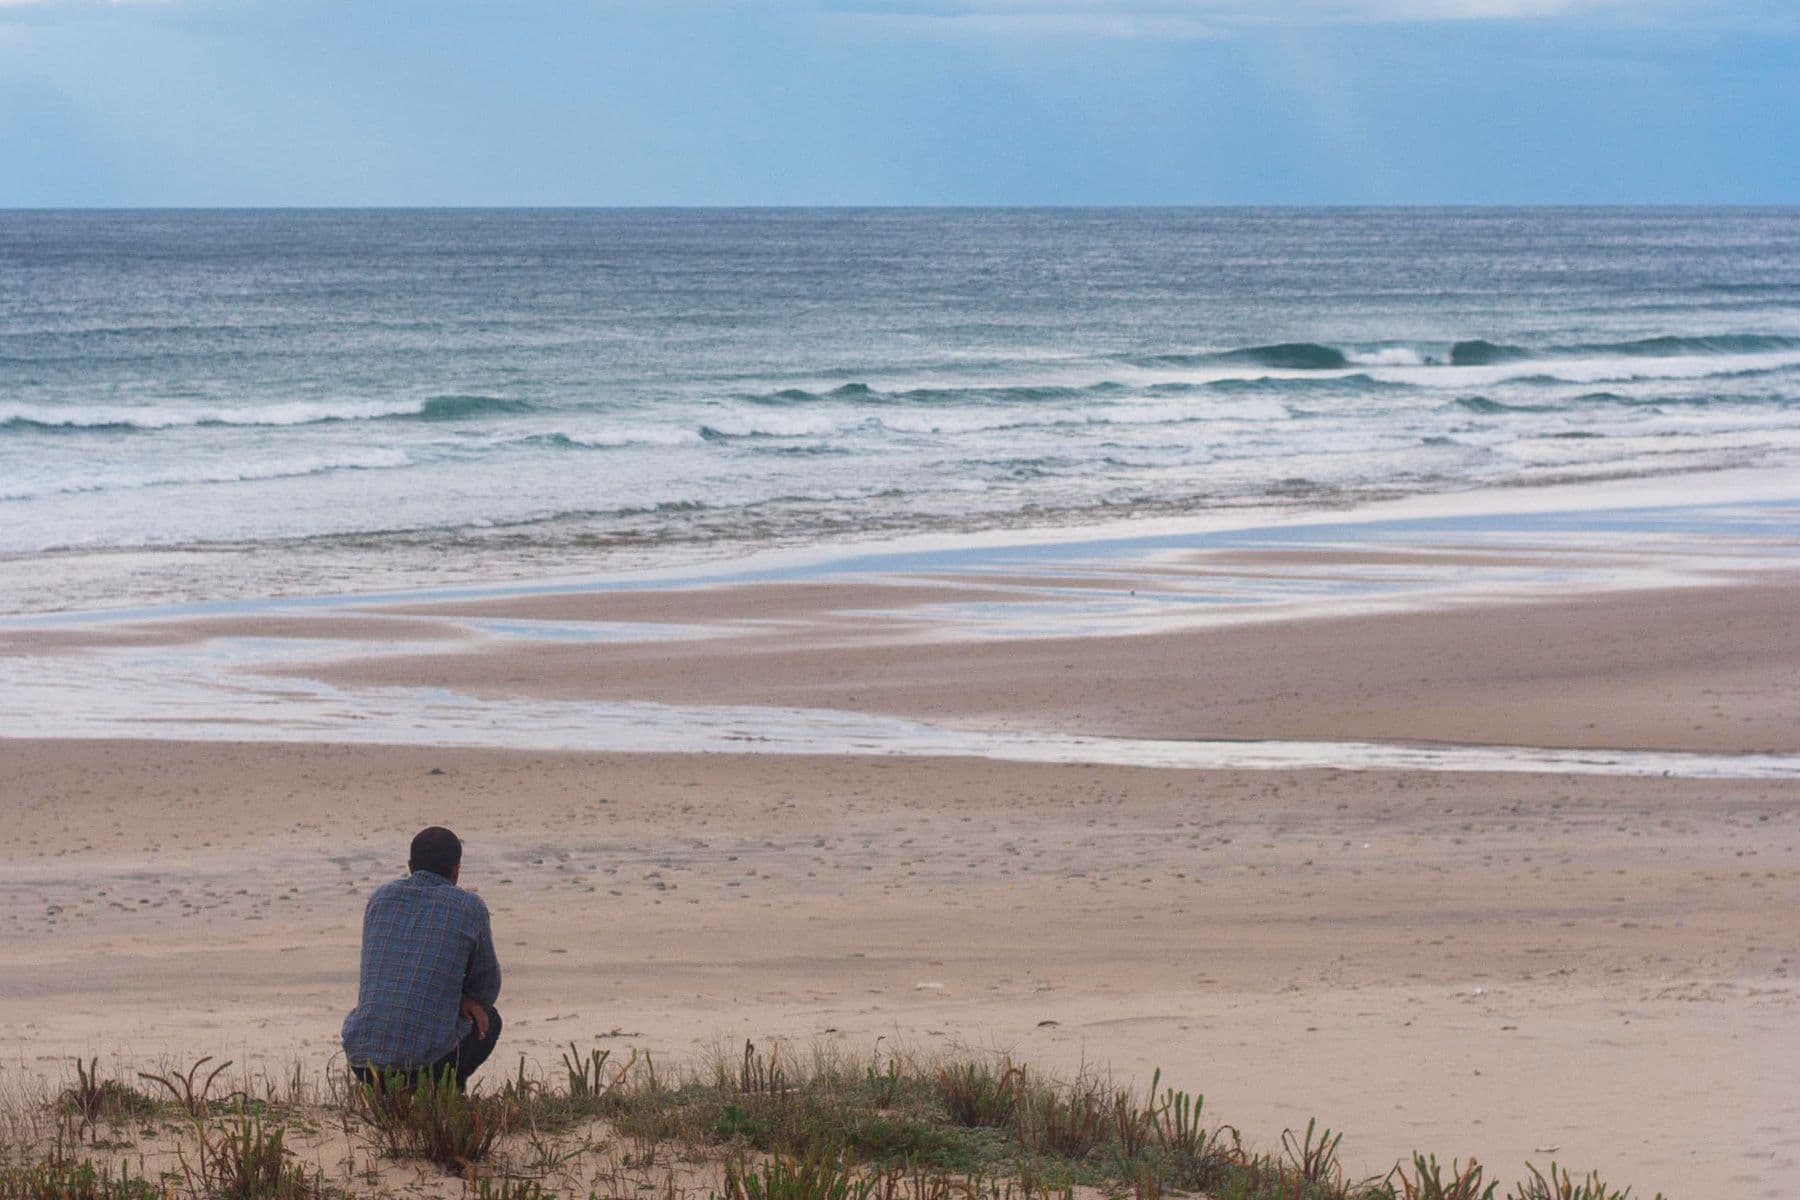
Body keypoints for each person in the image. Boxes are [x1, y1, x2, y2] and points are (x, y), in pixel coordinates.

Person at [342, 826, 502, 1092]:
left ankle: (395, 1101)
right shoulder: (469, 907)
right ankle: (447, 1097)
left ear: (410, 865)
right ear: (456, 869)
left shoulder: (380, 899)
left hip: (363, 1060)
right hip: (424, 1065)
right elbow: (486, 987)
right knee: (489, 1019)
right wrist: (465, 998)